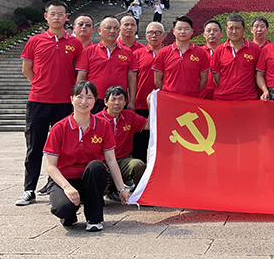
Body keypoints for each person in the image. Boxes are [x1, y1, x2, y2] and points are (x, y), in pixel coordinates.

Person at [17, 0, 83, 206]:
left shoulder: (75, 43)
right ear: (46, 16)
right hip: (38, 101)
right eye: (53, 13)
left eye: (60, 14)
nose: (56, 17)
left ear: (66, 17)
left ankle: (56, 185)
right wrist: (39, 84)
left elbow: (78, 72)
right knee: (34, 146)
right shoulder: (35, 41)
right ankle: (29, 189)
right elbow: (26, 69)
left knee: (63, 148)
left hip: (64, 103)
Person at [44, 81, 129, 231]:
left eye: (89, 97)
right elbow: (50, 165)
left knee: (97, 166)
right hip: (65, 179)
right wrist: (67, 187)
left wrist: (122, 189)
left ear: (95, 101)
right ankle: (69, 215)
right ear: (71, 99)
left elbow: (111, 159)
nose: (84, 102)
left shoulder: (103, 125)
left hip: (90, 179)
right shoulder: (59, 128)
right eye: (79, 96)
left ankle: (94, 219)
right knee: (63, 208)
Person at [76, 16, 138, 114]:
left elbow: (132, 78)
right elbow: (81, 77)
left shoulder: (128, 52)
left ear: (119, 31)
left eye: (115, 28)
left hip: (118, 101)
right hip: (94, 100)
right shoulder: (89, 51)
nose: (112, 31)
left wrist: (132, 101)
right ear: (99, 31)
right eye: (108, 28)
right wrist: (79, 99)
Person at [96, 85, 148, 198]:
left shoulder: (130, 116)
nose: (117, 103)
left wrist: (151, 105)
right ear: (105, 102)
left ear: (125, 102)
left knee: (138, 165)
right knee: (99, 188)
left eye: (121, 99)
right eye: (113, 99)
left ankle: (140, 194)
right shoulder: (96, 120)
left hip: (123, 161)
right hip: (104, 163)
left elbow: (149, 125)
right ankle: (111, 190)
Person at [153, 15, 210, 97]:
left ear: (192, 31)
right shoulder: (163, 52)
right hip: (169, 99)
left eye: (186, 29)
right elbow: (157, 80)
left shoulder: (201, 53)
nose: (183, 32)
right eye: (179, 29)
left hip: (191, 99)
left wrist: (193, 92)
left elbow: (203, 80)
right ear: (173, 31)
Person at [132, 21, 165, 160]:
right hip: (141, 104)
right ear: (146, 35)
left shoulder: (168, 53)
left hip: (164, 106)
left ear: (163, 35)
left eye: (158, 33)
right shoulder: (137, 54)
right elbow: (132, 79)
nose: (154, 35)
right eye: (151, 32)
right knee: (141, 141)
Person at [212, 14, 260, 101]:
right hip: (222, 98)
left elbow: (259, 75)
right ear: (226, 29)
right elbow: (216, 77)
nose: (234, 31)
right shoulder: (219, 50)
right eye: (231, 28)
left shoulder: (255, 49)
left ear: (244, 29)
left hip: (247, 98)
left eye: (237, 28)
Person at [199, 20, 223, 100]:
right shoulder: (198, 52)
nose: (212, 33)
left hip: (222, 94)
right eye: (208, 31)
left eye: (215, 30)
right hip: (201, 95)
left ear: (221, 34)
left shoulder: (227, 52)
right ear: (204, 34)